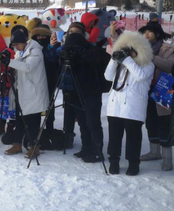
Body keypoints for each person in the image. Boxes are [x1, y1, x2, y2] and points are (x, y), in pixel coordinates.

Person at [104, 31, 155, 176]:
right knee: (114, 137)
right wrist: (114, 59)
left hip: (133, 108)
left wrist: (127, 60)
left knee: (133, 138)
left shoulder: (148, 65)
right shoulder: (121, 64)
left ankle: (133, 164)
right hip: (115, 107)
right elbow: (108, 76)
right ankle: (114, 162)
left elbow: (140, 76)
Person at [57, 25, 106, 163]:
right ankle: (86, 147)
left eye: (77, 33)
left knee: (92, 122)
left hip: (91, 91)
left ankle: (97, 151)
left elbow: (95, 60)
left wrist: (79, 51)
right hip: (75, 91)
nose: (74, 36)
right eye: (71, 32)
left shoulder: (92, 49)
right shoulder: (67, 50)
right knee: (83, 122)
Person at [1, 29, 48, 158]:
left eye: (17, 44)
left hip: (33, 92)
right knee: (19, 119)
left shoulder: (36, 51)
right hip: (21, 90)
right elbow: (18, 66)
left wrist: (9, 62)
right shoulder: (19, 52)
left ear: (24, 42)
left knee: (32, 121)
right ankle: (17, 144)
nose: (15, 47)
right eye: (14, 45)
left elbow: (27, 67)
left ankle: (35, 147)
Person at [137, 22, 174, 170]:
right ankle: (154, 151)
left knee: (165, 123)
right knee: (150, 121)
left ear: (157, 34)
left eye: (150, 32)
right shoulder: (141, 49)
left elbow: (169, 66)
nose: (146, 34)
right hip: (145, 90)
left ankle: (167, 158)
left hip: (163, 89)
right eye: (144, 31)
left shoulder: (168, 48)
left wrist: (150, 57)